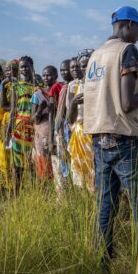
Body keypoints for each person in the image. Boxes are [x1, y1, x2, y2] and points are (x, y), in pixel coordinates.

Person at [83, 6, 138, 274]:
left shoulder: (95, 55)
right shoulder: (127, 51)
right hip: (124, 140)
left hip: (98, 140)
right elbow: (128, 103)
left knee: (105, 210)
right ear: (129, 24)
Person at [7, 56, 37, 190]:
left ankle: (33, 193)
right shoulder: (16, 86)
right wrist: (8, 131)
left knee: (32, 162)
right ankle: (16, 192)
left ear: (32, 67)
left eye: (27, 66)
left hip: (34, 128)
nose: (24, 69)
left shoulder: (37, 86)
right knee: (17, 163)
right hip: (18, 128)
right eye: (22, 67)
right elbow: (13, 109)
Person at [67, 51, 95, 192]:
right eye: (83, 65)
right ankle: (83, 205)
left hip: (95, 132)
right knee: (80, 171)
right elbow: (69, 118)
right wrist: (73, 103)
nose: (85, 68)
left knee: (94, 171)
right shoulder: (73, 86)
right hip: (79, 133)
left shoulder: (98, 84)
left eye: (89, 64)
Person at [30, 65, 62, 180]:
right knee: (43, 169)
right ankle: (44, 194)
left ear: (56, 76)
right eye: (44, 75)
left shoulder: (59, 92)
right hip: (42, 136)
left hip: (57, 134)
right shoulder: (37, 95)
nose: (46, 77)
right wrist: (40, 109)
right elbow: (33, 119)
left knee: (57, 167)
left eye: (49, 75)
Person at [0, 59, 18, 184]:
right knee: (6, 149)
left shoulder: (21, 85)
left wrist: (13, 108)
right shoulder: (7, 86)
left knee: (17, 153)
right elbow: (3, 106)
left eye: (13, 69)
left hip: (20, 122)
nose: (10, 72)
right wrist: (3, 85)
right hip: (6, 121)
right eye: (8, 70)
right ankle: (6, 182)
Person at [52, 59, 73, 193]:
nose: (64, 72)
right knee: (63, 159)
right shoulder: (62, 87)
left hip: (72, 127)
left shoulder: (73, 86)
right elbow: (58, 112)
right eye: (62, 70)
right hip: (62, 127)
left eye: (66, 69)